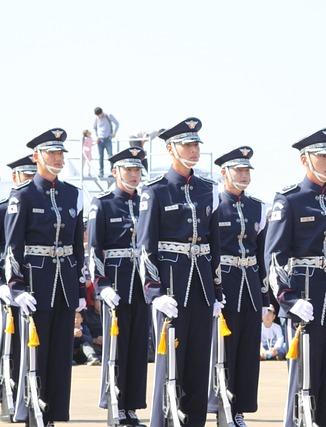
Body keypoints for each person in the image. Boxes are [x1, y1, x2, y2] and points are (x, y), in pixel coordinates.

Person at [264, 127, 326, 427]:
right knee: (304, 372)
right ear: (305, 160)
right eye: (322, 156)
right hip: (304, 295)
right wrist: (288, 299)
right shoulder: (289, 199)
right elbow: (275, 256)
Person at [137, 118, 223, 427]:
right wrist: (154, 292)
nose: (194, 150)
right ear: (171, 149)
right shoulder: (155, 191)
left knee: (199, 362)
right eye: (188, 144)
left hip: (201, 286)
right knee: (168, 364)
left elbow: (215, 245)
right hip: (171, 287)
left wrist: (218, 292)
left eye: (197, 144)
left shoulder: (208, 190)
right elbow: (144, 247)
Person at [4, 129, 87, 427]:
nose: (58, 158)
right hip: (36, 283)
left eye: (61, 153)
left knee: (61, 355)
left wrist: (80, 288)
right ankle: (33, 414)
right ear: (36, 157)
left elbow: (78, 246)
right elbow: (12, 246)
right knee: (36, 353)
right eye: (52, 153)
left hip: (64, 282)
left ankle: (53, 414)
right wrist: (17, 286)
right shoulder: (22, 195)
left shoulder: (72, 194)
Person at [88, 146, 150, 426]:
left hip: (143, 285)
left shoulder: (145, 202)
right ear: (116, 171)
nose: (134, 175)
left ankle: (133, 404)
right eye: (129, 169)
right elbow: (94, 250)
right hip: (116, 283)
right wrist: (102, 286)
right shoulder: (102, 204)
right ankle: (115, 402)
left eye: (137, 170)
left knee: (139, 346)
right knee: (117, 346)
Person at [211, 146, 268, 426]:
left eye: (247, 170)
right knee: (226, 350)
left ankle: (240, 410)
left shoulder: (258, 206)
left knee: (248, 352)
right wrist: (213, 289)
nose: (244, 175)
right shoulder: (215, 203)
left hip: (252, 285)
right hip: (227, 284)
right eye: (239, 170)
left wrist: (267, 298)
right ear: (224, 173)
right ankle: (222, 405)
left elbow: (263, 253)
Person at [0, 154, 37, 421]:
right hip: (9, 287)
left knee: (34, 343)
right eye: (25, 176)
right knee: (10, 343)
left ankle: (32, 396)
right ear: (15, 177)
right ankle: (9, 397)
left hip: (35, 282)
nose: (29, 180)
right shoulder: (1, 208)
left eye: (32, 175)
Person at [93, 107, 120, 178]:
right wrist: (96, 136)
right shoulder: (96, 119)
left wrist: (114, 133)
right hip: (100, 140)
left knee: (110, 156)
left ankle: (112, 171)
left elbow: (117, 123)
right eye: (97, 115)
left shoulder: (108, 116)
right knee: (100, 156)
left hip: (108, 139)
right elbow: (94, 128)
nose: (99, 116)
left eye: (99, 114)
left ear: (102, 113)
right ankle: (101, 172)